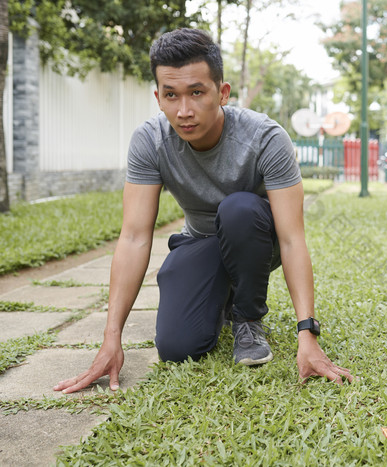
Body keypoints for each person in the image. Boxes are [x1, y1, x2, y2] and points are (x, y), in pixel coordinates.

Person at [54, 28, 352, 394]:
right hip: (202, 242)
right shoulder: (149, 141)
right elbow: (133, 237)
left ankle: (247, 317)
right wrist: (111, 337)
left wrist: (307, 333)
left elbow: (291, 239)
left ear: (222, 93)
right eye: (171, 95)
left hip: (259, 239)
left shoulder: (265, 139)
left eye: (197, 92)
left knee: (238, 209)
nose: (184, 111)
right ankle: (222, 298)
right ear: (158, 98)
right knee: (179, 348)